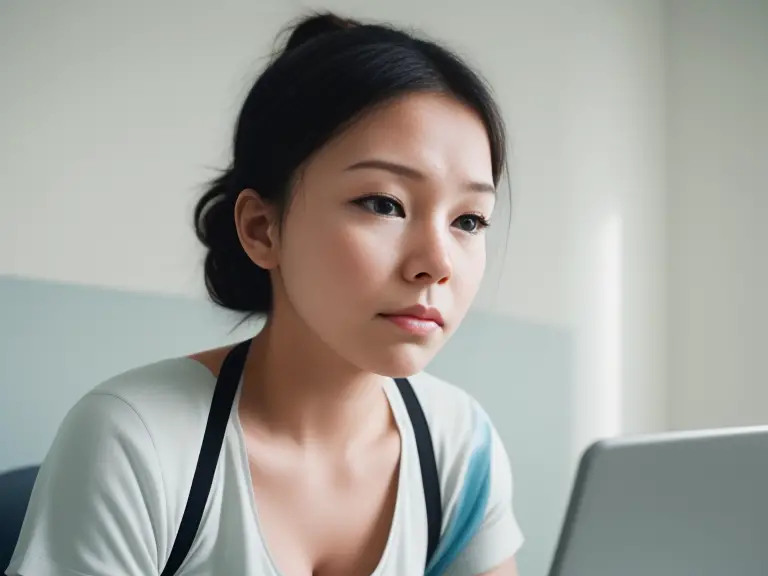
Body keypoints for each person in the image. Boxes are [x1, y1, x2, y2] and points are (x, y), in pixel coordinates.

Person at [6, 11, 523, 576]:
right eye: (383, 203)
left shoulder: (458, 445)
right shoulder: (136, 441)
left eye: (470, 220)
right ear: (260, 228)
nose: (437, 263)